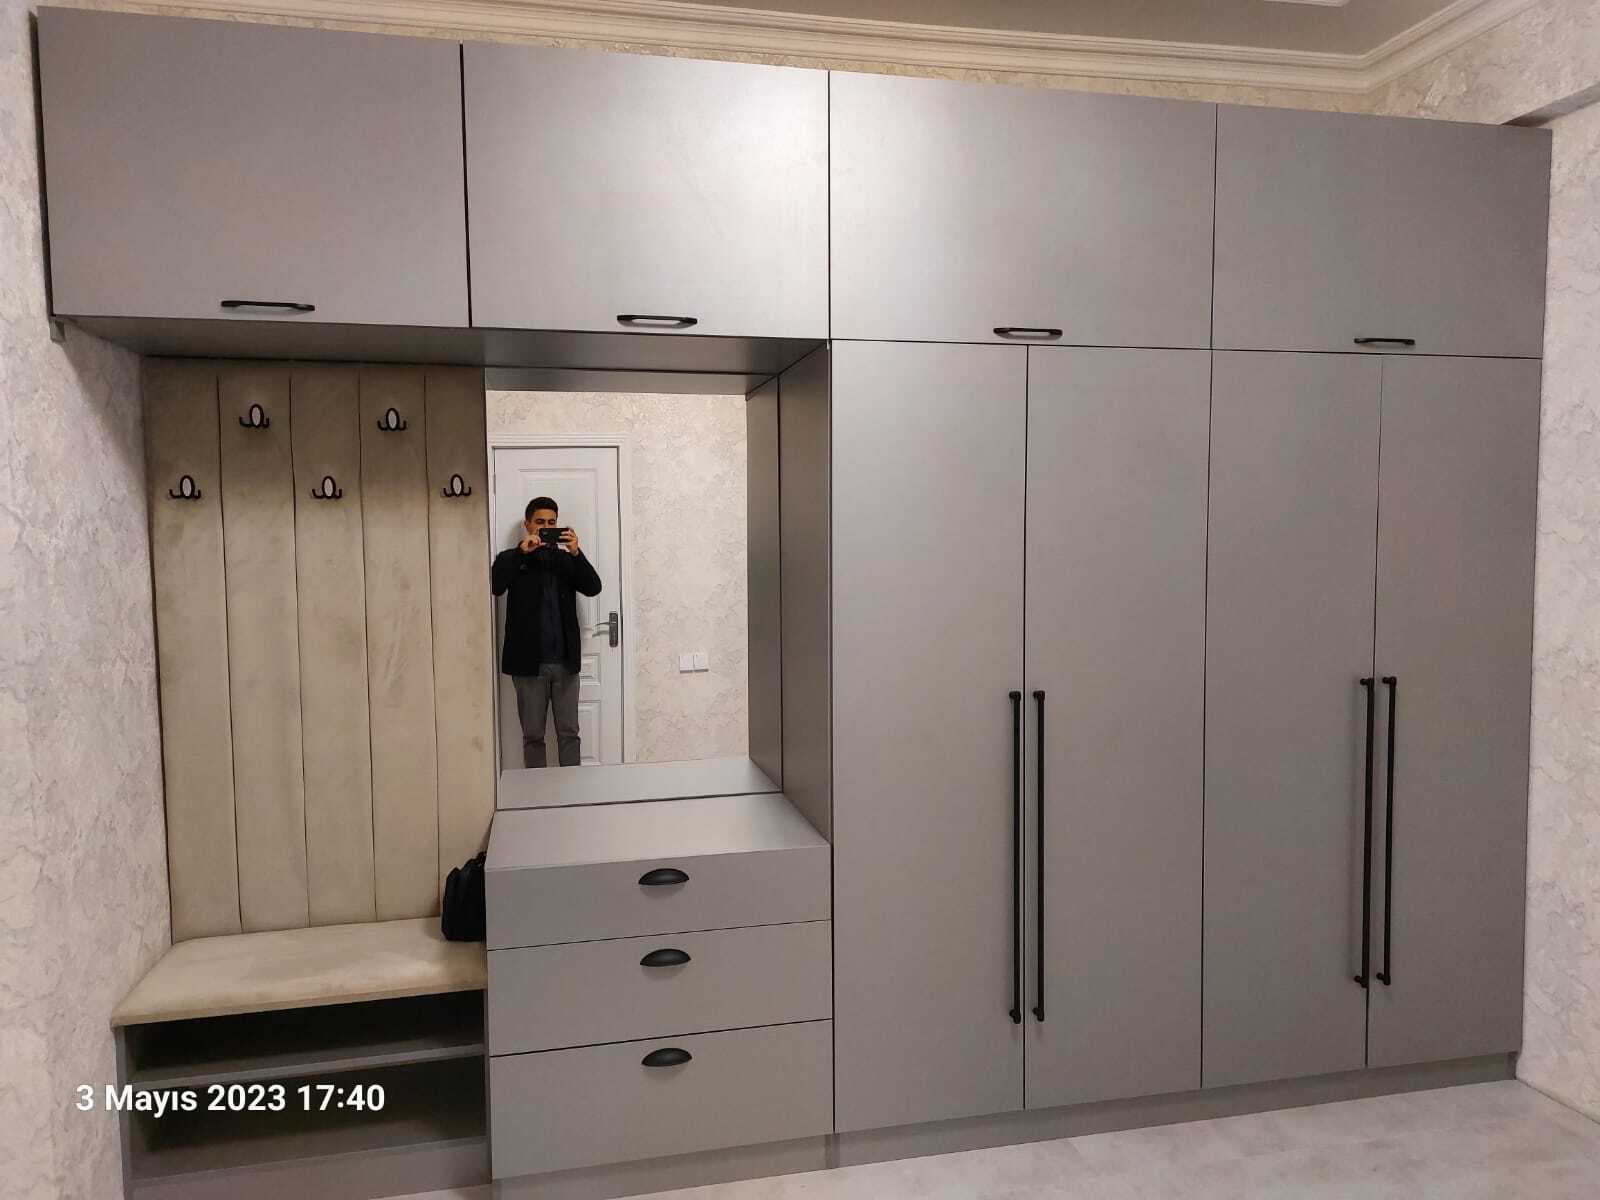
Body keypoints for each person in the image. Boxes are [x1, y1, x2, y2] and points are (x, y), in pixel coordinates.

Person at [491, 496, 602, 768]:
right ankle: (536, 793)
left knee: (570, 735)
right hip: (529, 666)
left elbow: (593, 587)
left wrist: (576, 553)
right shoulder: (512, 559)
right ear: (528, 524)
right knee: (533, 737)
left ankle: (572, 790)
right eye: (540, 522)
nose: (546, 527)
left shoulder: (566, 560)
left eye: (552, 522)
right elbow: (496, 585)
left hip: (565, 663)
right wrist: (521, 552)